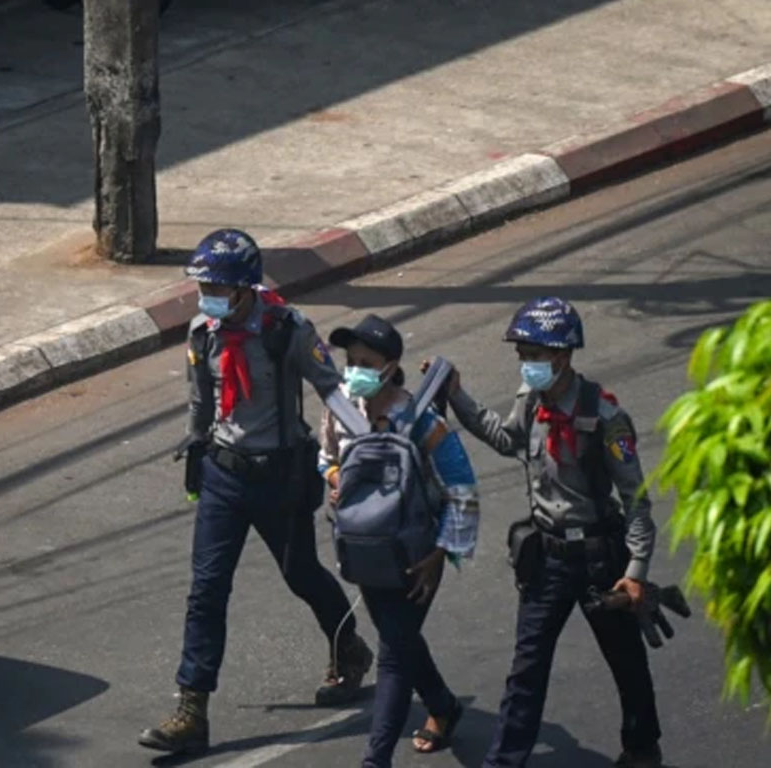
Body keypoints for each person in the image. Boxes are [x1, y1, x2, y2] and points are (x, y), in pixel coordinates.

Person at [138, 229, 374, 755]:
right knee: (207, 589)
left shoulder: (285, 329)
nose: (209, 297)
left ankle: (349, 648)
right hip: (224, 474)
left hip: (281, 474)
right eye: (204, 287)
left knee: (301, 573)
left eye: (219, 288)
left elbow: (329, 387)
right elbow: (201, 400)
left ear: (245, 289)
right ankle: (192, 707)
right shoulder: (202, 332)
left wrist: (365, 443)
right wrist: (196, 447)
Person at [438, 297, 662, 768]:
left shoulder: (604, 417)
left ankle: (642, 749)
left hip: (601, 558)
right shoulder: (530, 400)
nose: (526, 364)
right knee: (527, 667)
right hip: (549, 557)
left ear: (561, 355)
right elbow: (505, 439)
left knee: (625, 659)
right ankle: (504, 761)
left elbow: (637, 503)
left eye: (533, 355)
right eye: (522, 355)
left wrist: (636, 572)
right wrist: (457, 395)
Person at [320, 314, 480, 768]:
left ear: (390, 366)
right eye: (350, 361)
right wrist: (335, 477)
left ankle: (377, 759)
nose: (354, 371)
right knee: (401, 639)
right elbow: (324, 459)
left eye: (365, 362)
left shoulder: (421, 420)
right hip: (364, 553)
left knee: (393, 653)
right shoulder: (339, 411)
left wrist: (441, 554)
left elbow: (462, 488)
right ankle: (443, 706)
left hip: (416, 557)